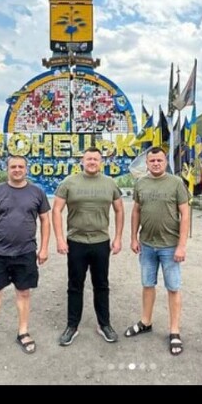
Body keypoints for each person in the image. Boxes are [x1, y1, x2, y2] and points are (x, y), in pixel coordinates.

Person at [0, 155, 50, 357]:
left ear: (27, 169)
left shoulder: (37, 192)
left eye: (21, 166)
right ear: (7, 168)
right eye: (13, 166)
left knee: (24, 293)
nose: (17, 169)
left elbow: (45, 221)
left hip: (25, 253)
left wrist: (43, 248)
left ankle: (23, 332)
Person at [52, 146, 124, 346]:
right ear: (82, 161)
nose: (92, 162)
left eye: (95, 159)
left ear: (101, 162)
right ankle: (72, 326)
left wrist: (118, 238)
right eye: (89, 159)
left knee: (101, 285)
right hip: (76, 242)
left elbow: (119, 210)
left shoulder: (110, 183)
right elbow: (56, 209)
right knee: (75, 285)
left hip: (101, 242)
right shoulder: (69, 182)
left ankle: (104, 324)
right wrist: (59, 238)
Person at [126, 147, 190, 356]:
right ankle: (146, 322)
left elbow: (185, 214)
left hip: (170, 247)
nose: (155, 163)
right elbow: (136, 210)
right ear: (147, 163)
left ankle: (174, 331)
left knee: (173, 287)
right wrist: (133, 237)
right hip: (147, 245)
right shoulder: (141, 183)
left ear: (165, 161)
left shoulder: (176, 183)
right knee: (147, 284)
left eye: (159, 160)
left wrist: (181, 245)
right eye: (152, 160)